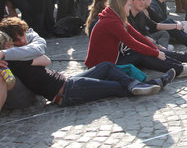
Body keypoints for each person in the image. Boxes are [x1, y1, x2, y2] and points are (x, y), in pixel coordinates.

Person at [0, 19, 175, 107]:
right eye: (17, 39)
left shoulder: (17, 54)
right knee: (113, 86)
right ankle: (152, 84)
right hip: (66, 93)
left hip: (69, 83)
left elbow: (42, 56)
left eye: (23, 36)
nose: (23, 40)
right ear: (8, 42)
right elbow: (44, 59)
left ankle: (138, 84)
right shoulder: (13, 58)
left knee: (106, 66)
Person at [86, 0, 187, 77]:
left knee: (148, 49)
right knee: (142, 54)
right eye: (128, 5)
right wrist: (155, 53)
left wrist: (155, 49)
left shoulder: (115, 17)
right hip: (103, 64)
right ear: (121, 6)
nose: (129, 8)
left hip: (113, 57)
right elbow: (132, 43)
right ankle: (179, 68)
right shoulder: (111, 22)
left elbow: (138, 36)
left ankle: (184, 58)